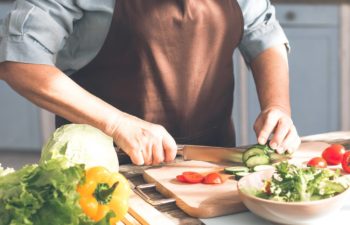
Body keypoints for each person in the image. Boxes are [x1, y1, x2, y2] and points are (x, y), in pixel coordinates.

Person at [0, 0, 301, 166]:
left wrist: (277, 106)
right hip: (105, 167)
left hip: (212, 162)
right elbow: (19, 61)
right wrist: (119, 125)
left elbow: (262, 32)